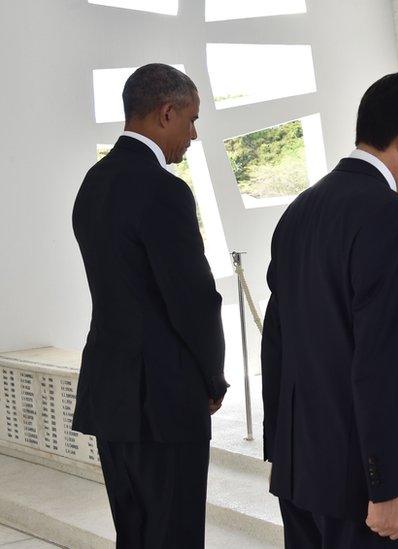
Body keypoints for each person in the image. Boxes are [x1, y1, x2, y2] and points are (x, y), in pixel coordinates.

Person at [261, 69, 398, 548]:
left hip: (301, 473)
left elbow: (277, 342)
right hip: (361, 489)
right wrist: (388, 485)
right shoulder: (386, 215)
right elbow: (383, 363)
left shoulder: (300, 209)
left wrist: (282, 453)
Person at [72, 63, 227, 548]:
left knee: (134, 534)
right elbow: (194, 300)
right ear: (166, 113)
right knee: (174, 534)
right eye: (191, 120)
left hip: (110, 392)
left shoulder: (92, 185)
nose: (194, 135)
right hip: (164, 398)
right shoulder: (164, 191)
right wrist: (212, 378)